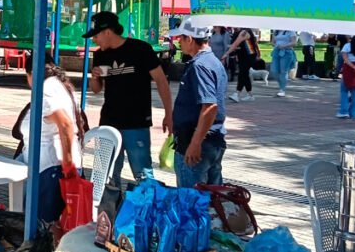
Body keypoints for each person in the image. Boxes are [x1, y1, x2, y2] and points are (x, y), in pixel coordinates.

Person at [86, 11, 173, 184]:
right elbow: (96, 90)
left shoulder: (140, 49)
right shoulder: (100, 55)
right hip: (109, 122)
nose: (94, 40)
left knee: (143, 175)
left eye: (96, 36)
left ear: (108, 32)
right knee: (105, 175)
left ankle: (146, 208)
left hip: (136, 123)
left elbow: (161, 81)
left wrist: (168, 113)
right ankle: (109, 209)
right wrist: (94, 77)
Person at [19, 55, 86, 223]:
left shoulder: (47, 90)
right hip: (51, 168)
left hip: (52, 170)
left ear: (31, 74)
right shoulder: (59, 85)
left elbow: (65, 124)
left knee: (44, 226)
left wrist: (68, 164)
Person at [168, 18, 227, 188]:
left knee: (191, 200)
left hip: (198, 142)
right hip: (212, 139)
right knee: (211, 199)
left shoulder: (200, 66)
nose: (179, 42)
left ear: (190, 39)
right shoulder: (213, 62)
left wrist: (195, 143)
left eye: (181, 38)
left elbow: (209, 106)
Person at [223, 28, 259, 102]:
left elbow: (236, 43)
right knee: (245, 74)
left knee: (242, 73)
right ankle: (250, 95)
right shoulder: (238, 32)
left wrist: (226, 53)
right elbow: (238, 45)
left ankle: (237, 93)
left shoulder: (244, 32)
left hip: (249, 56)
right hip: (243, 56)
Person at [269, 29, 298, 97]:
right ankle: (282, 85)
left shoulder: (291, 31)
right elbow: (273, 42)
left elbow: (294, 42)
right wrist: (275, 45)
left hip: (287, 52)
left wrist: (284, 46)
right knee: (274, 71)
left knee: (283, 71)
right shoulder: (276, 31)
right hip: (277, 51)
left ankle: (282, 90)